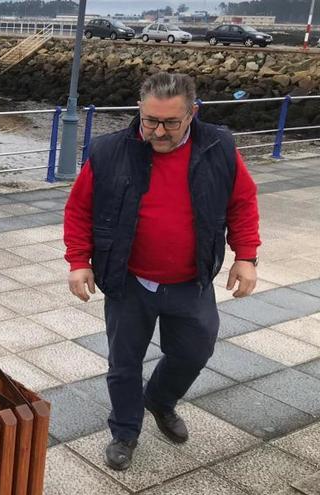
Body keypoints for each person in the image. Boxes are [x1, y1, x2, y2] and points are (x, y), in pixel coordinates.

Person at [64, 72, 260, 471]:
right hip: (129, 279)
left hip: (191, 280)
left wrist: (246, 255)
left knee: (194, 351)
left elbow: (242, 201)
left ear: (193, 114)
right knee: (123, 364)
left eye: (171, 122)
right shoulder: (108, 151)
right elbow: (79, 208)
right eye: (149, 119)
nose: (157, 130)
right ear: (139, 110)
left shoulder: (219, 146)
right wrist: (78, 261)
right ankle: (124, 431)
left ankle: (160, 399)